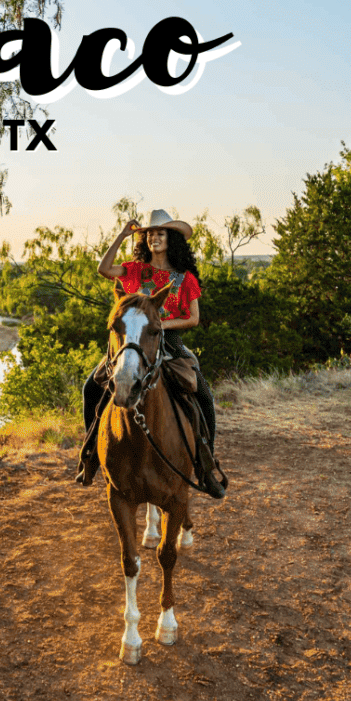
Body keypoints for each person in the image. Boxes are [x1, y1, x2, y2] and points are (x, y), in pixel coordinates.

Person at [75, 208, 226, 499]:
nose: (155, 238)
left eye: (161, 233)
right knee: (91, 388)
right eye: (150, 234)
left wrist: (159, 325)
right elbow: (104, 269)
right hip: (131, 345)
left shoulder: (185, 279)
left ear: (171, 239)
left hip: (169, 344)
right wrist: (122, 234)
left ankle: (206, 468)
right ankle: (91, 456)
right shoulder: (133, 270)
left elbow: (193, 318)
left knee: (203, 396)